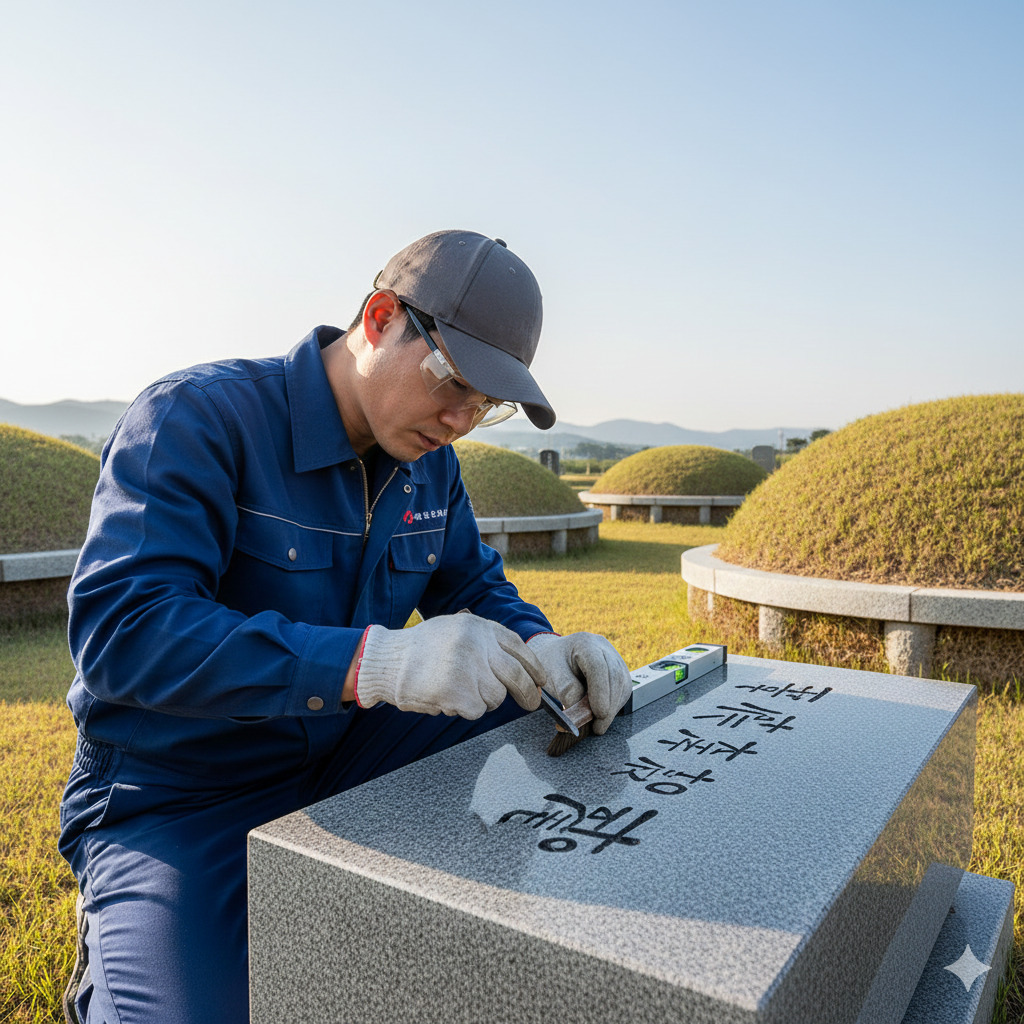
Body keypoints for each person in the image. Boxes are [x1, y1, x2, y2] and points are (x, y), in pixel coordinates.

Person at [58, 229, 633, 1024]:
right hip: (179, 789)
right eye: (454, 380)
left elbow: (471, 583)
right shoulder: (198, 419)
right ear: (379, 316)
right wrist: (375, 663)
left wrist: (548, 646)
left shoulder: (429, 467)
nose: (462, 419)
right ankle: (117, 951)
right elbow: (126, 632)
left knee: (522, 693)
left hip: (342, 756)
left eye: (486, 404)